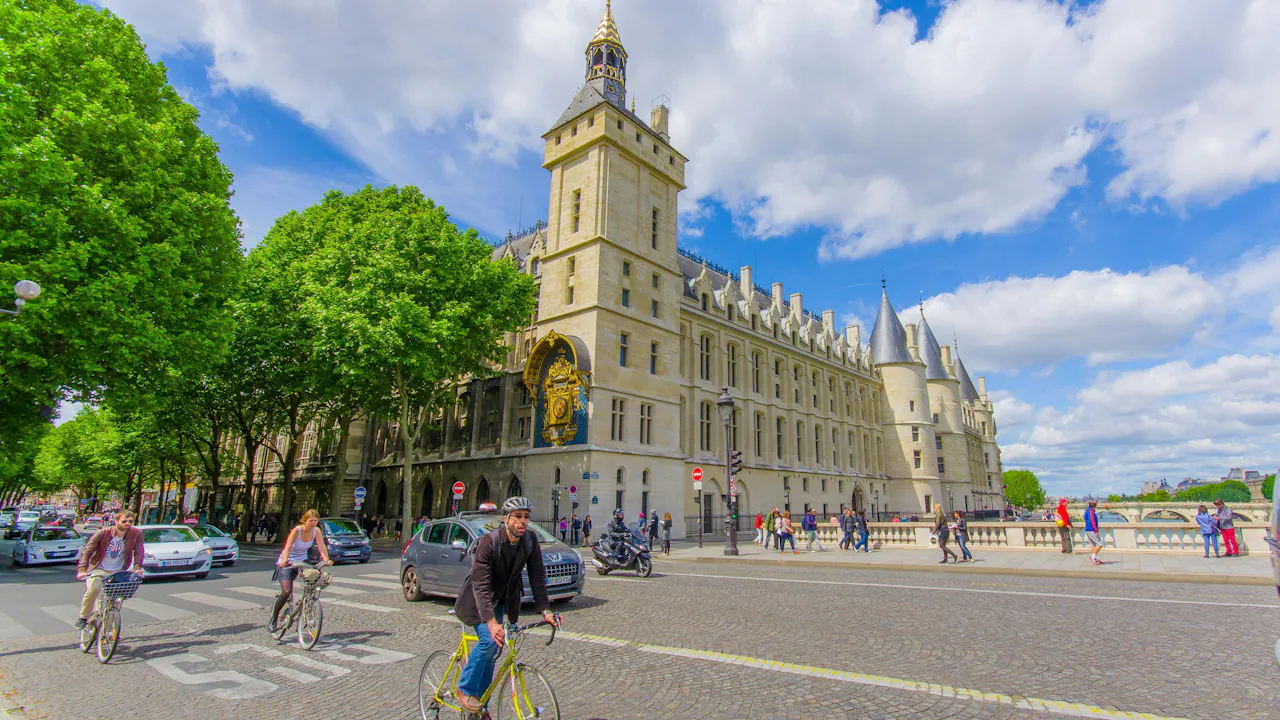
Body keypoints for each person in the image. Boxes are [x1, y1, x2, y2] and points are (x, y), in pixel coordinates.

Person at [454, 496, 559, 714]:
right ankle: (465, 689)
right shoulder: (488, 543)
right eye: (518, 517)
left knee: (494, 651)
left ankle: (481, 709)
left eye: (526, 517)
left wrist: (545, 610)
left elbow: (537, 576)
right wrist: (491, 623)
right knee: (488, 640)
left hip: (502, 601)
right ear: (506, 518)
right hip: (476, 602)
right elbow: (480, 586)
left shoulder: (529, 540)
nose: (522, 522)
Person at [75, 509, 144, 628]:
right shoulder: (103, 533)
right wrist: (82, 570)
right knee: (93, 589)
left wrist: (137, 567)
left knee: (113, 601)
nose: (127, 524)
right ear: (116, 521)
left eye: (130, 521)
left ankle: (106, 633)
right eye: (124, 521)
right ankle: (83, 617)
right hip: (99, 569)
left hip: (118, 571)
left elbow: (139, 552)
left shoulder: (136, 534)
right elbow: (87, 551)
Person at [269, 509, 333, 633]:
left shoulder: (316, 531)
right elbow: (287, 547)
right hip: (288, 562)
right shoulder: (297, 530)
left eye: (315, 521)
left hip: (302, 561)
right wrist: (285, 560)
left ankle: (308, 603)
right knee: (286, 591)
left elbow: (321, 546)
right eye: (311, 521)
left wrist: (326, 559)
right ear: (305, 520)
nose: (313, 523)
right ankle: (274, 618)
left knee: (315, 578)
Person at [1082, 500, 1103, 565]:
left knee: (1093, 545)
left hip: (1087, 529)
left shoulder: (1087, 510)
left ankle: (1094, 558)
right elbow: (1093, 521)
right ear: (1095, 505)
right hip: (1091, 529)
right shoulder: (1091, 511)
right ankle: (1093, 557)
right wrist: (1096, 530)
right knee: (1100, 544)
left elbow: (1085, 519)